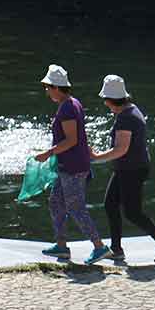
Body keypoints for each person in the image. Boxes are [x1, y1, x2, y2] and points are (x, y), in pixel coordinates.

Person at [91, 75, 155, 263]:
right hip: (127, 167)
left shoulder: (126, 118)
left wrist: (96, 158)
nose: (105, 104)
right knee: (110, 204)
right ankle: (116, 248)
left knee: (133, 212)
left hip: (132, 169)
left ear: (111, 100)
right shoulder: (131, 109)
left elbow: (121, 149)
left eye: (106, 100)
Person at [34, 64, 112, 265]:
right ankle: (61, 246)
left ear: (56, 87)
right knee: (55, 201)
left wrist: (48, 153)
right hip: (68, 165)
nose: (46, 91)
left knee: (76, 208)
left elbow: (71, 140)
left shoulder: (68, 107)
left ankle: (100, 247)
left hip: (73, 167)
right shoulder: (72, 103)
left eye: (48, 87)